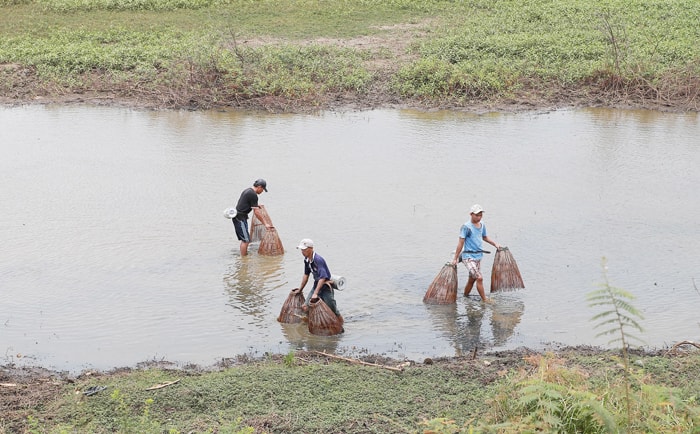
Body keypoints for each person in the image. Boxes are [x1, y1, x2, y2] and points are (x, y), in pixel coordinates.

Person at [451, 204, 500, 302]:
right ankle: (485, 300)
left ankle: (465, 297)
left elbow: (484, 237)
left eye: (480, 215)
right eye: (477, 215)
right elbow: (460, 243)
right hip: (468, 257)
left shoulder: (482, 224)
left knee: (472, 279)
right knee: (479, 277)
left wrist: (495, 244)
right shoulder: (466, 227)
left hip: (478, 256)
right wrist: (455, 258)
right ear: (471, 214)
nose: (479, 217)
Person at [295, 238, 341, 317]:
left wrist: (315, 293)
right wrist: (300, 289)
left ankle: (340, 324)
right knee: (305, 307)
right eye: (301, 250)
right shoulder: (306, 260)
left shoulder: (318, 260)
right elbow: (306, 275)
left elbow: (322, 277)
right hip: (316, 285)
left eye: (304, 250)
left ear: (311, 249)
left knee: (332, 310)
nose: (302, 252)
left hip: (325, 287)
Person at [232, 178, 272, 256]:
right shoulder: (253, 194)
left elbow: (246, 203)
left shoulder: (248, 190)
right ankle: (243, 260)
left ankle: (244, 256)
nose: (262, 191)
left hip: (240, 217)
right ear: (259, 187)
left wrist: (256, 205)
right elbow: (256, 212)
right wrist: (265, 223)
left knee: (246, 239)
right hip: (240, 218)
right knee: (246, 240)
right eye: (263, 189)